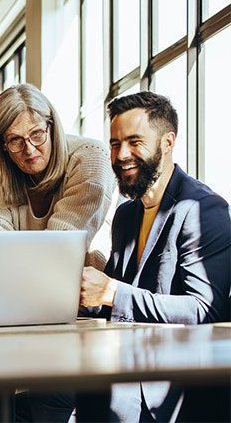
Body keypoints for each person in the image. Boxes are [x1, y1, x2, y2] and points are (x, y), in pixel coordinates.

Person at [76, 91, 230, 422]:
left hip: (173, 388)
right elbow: (111, 300)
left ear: (167, 142)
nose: (121, 155)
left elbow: (203, 310)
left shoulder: (203, 209)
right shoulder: (126, 215)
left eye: (134, 141)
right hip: (124, 366)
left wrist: (111, 292)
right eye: (115, 144)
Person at [0, 82, 117, 329]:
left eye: (37, 134)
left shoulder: (91, 158)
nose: (29, 149)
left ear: (52, 126)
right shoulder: (5, 174)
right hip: (31, 305)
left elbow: (57, 250)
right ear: (2, 146)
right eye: (15, 140)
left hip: (93, 310)